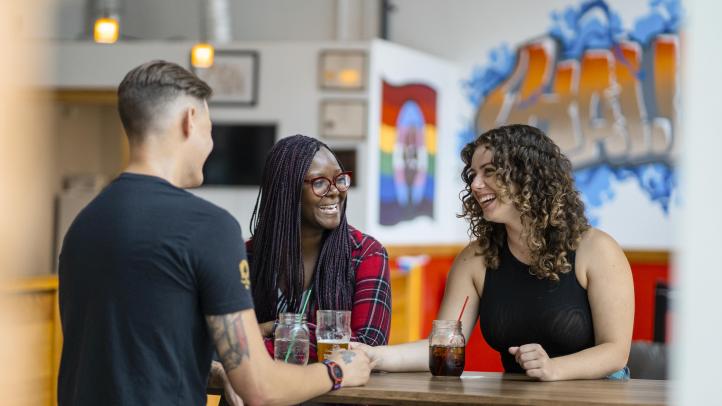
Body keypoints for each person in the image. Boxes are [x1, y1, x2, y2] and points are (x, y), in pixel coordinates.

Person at [57, 60, 372, 406]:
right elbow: (261, 388)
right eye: (210, 129)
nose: (210, 144)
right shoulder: (207, 227)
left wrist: (219, 371)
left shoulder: (83, 225)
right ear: (190, 120)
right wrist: (336, 370)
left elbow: (134, 354)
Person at [355, 124, 634, 381]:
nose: (475, 185)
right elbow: (440, 345)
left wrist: (554, 368)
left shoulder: (597, 250)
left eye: (489, 171)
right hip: (517, 398)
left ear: (529, 177)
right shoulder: (475, 259)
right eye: (473, 174)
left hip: (597, 395)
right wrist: (374, 355)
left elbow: (615, 352)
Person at [247, 134, 392, 361]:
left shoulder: (366, 254)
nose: (335, 190)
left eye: (340, 179)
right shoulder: (246, 257)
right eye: (320, 182)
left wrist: (273, 328)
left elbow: (367, 344)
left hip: (335, 394)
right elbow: (221, 342)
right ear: (286, 190)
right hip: (256, 395)